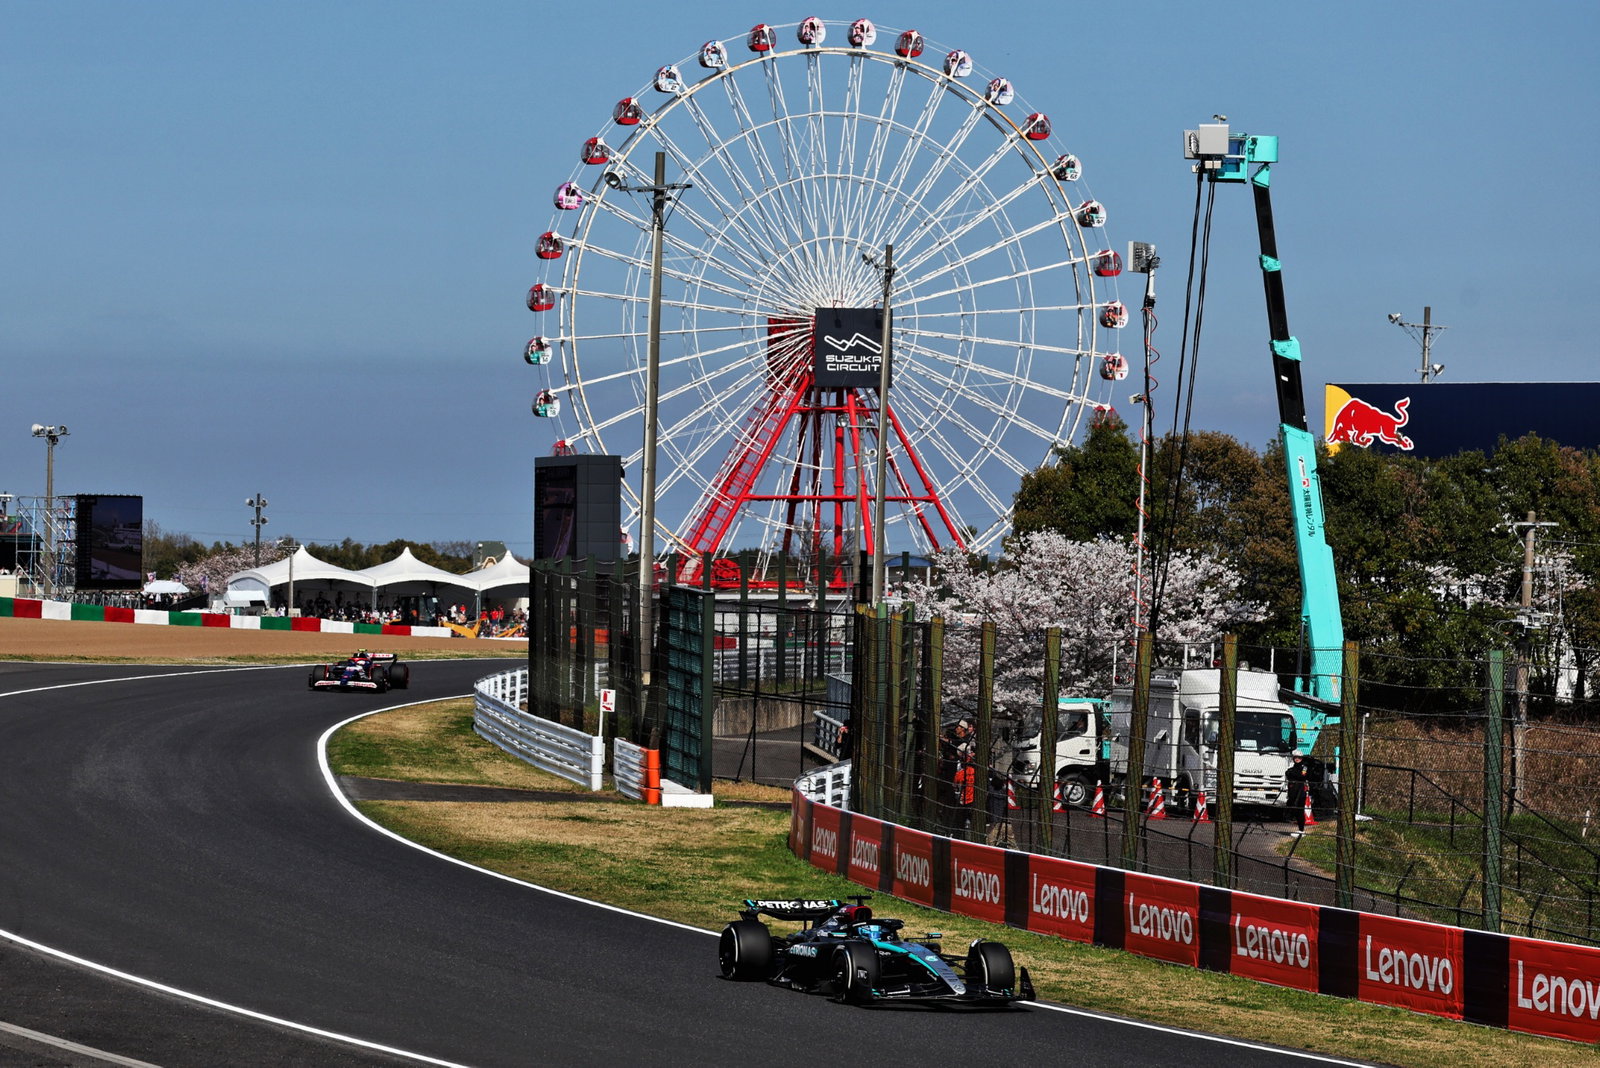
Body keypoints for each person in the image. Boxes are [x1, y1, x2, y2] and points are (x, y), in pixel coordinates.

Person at [1286, 749, 1313, 836]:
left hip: (1301, 791)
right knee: (1294, 808)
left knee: (1300, 810)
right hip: (1293, 791)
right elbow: (1288, 774)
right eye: (1295, 757)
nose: (1297, 759)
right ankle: (1299, 828)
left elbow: (1302, 776)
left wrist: (1294, 775)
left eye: (1299, 757)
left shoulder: (1304, 767)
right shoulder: (1292, 768)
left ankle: (1301, 830)